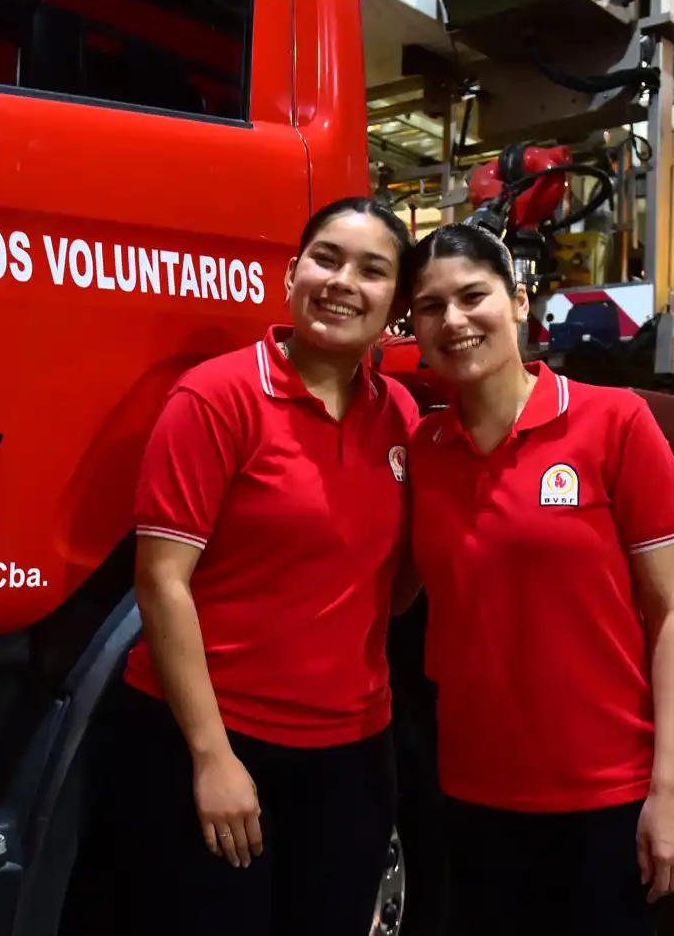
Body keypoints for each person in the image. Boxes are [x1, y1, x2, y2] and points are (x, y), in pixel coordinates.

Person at [111, 196, 420, 936]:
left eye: (372, 271)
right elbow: (161, 579)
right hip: (216, 740)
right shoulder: (217, 397)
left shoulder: (401, 415)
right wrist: (211, 758)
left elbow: (400, 588)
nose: (343, 281)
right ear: (291, 275)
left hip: (350, 752)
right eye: (326, 259)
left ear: (396, 306)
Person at [401, 223, 674, 934]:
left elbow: (673, 614)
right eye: (430, 307)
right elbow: (393, 595)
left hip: (605, 800)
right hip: (473, 795)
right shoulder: (425, 448)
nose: (454, 320)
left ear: (518, 303)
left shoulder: (614, 423)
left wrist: (671, 790)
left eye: (473, 296)